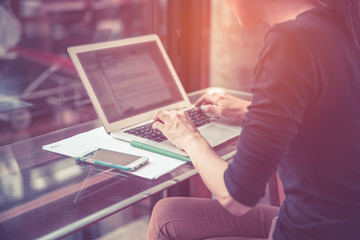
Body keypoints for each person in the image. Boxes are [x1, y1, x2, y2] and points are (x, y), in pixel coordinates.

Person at [147, 0, 360, 239]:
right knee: (166, 213)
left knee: (166, 226)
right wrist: (255, 111)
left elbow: (236, 196)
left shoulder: (291, 41)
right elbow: (334, 115)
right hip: (338, 222)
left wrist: (188, 136)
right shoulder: (338, 22)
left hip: (309, 230)